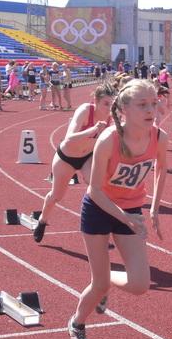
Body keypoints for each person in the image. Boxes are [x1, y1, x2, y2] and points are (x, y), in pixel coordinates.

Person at [68, 79, 168, 339]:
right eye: (143, 105)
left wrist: (155, 208)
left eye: (153, 103)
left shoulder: (159, 137)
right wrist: (124, 216)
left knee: (139, 284)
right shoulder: (108, 140)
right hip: (99, 210)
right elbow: (95, 190)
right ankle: (77, 324)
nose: (151, 110)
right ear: (123, 109)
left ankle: (106, 281)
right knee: (96, 283)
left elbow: (161, 170)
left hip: (131, 210)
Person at [33, 82, 116, 243]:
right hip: (67, 157)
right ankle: (43, 220)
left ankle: (99, 231)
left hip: (88, 157)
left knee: (99, 189)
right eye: (106, 104)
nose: (109, 108)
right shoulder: (85, 110)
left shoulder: (112, 118)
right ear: (96, 102)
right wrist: (93, 130)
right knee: (56, 196)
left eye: (112, 104)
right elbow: (69, 138)